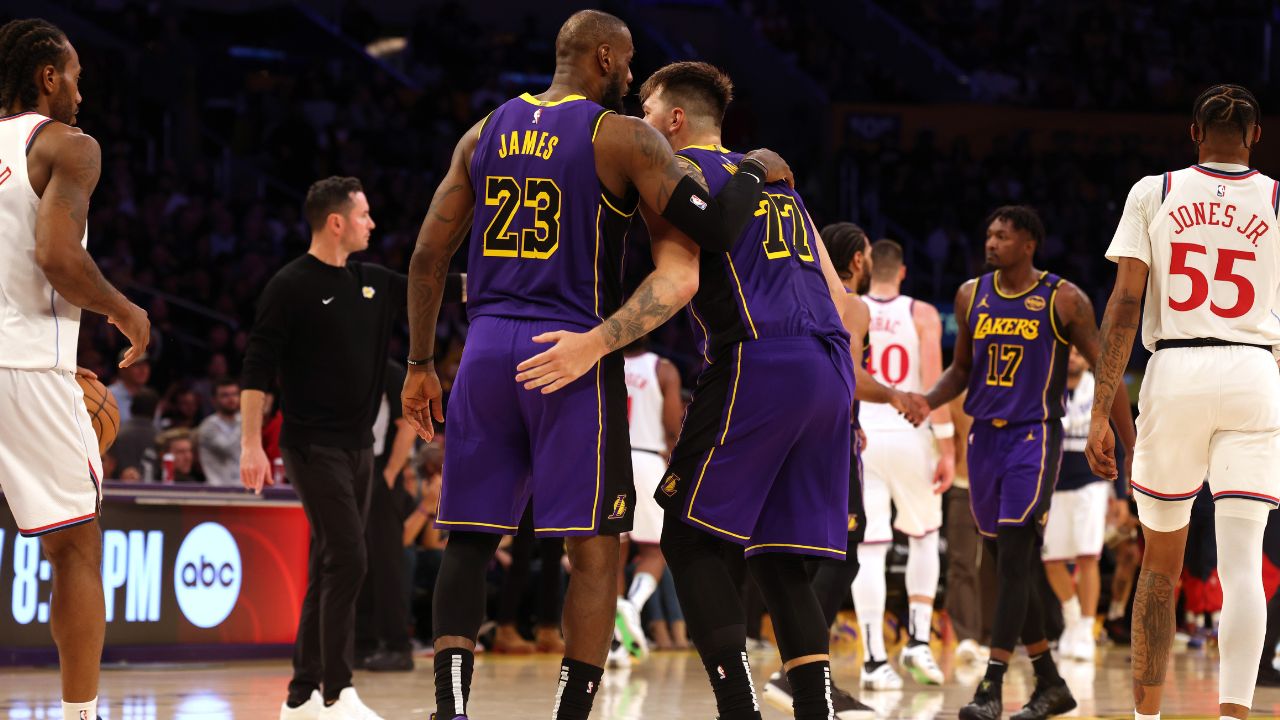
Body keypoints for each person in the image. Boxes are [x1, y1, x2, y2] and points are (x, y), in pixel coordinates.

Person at [401, 12, 791, 720]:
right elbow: (715, 224)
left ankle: (450, 709)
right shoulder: (621, 135)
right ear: (604, 56)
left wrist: (421, 362)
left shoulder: (481, 132)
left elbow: (428, 258)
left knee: (467, 539)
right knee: (597, 548)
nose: (634, 75)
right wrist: (757, 167)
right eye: (630, 60)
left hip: (485, 348)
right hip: (572, 351)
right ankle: (570, 715)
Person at [635, 62, 925, 720]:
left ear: (675, 120)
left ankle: (739, 709)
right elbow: (847, 308)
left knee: (685, 537)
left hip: (761, 359)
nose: (639, 122)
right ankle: (814, 711)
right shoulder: (782, 186)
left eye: (646, 109)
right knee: (778, 558)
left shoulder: (684, 175)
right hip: (828, 366)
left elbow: (678, 281)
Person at [1086, 83, 1280, 720]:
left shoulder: (1155, 191)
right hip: (1256, 372)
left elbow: (1122, 307)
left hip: (1178, 369)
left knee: (1161, 564)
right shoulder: (1279, 199)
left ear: (1193, 132)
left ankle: (1146, 715)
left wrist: (1098, 410)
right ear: (1255, 136)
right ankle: (1235, 714)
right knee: (1243, 565)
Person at [923, 205, 1136, 720]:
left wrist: (1131, 448)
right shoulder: (971, 294)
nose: (991, 242)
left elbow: (1108, 370)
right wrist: (923, 400)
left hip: (1033, 440)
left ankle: (991, 689)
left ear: (1028, 244)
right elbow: (960, 370)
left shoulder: (1064, 299)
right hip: (984, 446)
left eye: (1002, 236)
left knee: (1016, 556)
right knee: (1006, 562)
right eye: (989, 234)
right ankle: (1050, 682)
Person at [0, 18, 150, 720]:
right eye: (76, 75)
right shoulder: (68, 146)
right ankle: (80, 715)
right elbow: (57, 259)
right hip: (24, 371)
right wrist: (123, 310)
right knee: (75, 550)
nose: (82, 92)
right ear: (48, 76)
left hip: (33, 358)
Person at [241, 176, 400, 720]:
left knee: (330, 564)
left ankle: (302, 694)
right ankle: (338, 690)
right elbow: (256, 369)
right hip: (311, 447)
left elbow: (435, 285)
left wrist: (510, 277)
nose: (371, 224)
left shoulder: (373, 282)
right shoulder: (290, 285)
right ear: (336, 222)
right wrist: (250, 446)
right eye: (364, 215)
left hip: (360, 449)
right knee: (352, 559)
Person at [853, 238, 955, 689]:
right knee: (924, 539)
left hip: (865, 436)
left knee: (870, 549)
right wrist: (948, 445)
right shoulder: (922, 313)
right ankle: (917, 642)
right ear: (904, 273)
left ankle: (874, 660)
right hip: (912, 434)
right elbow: (933, 380)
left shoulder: (851, 307)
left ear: (868, 266)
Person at [1041, 346, 1121, 663]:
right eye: (1068, 351)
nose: (1073, 356)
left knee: (1088, 557)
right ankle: (1072, 618)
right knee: (1052, 559)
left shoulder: (1102, 389)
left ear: (1089, 357)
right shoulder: (1047, 386)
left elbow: (1117, 443)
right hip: (1052, 483)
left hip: (1092, 481)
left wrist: (1122, 496)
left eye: (1078, 352)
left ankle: (1086, 630)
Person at [612, 337, 685, 664]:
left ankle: (614, 644)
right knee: (656, 549)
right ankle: (634, 605)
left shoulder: (604, 362)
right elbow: (673, 428)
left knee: (613, 551)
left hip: (607, 462)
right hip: (646, 459)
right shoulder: (663, 369)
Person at [355, 360, 419, 672]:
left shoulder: (391, 372)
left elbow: (406, 423)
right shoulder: (354, 368)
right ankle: (363, 642)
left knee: (388, 563)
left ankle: (397, 645)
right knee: (360, 561)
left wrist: (391, 473)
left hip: (382, 474)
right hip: (358, 469)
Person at [197, 377, 242, 487]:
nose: (231, 399)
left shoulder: (241, 421)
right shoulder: (208, 425)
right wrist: (247, 422)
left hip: (241, 487)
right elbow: (228, 449)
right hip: (217, 488)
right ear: (214, 400)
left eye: (235, 394)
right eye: (225, 395)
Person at [108, 388, 160, 477]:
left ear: (131, 408)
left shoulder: (117, 434)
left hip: (118, 489)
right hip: (155, 489)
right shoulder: (160, 437)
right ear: (155, 411)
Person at [107, 349, 150, 424]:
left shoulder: (149, 396)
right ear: (123, 369)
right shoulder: (108, 396)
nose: (143, 369)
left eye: (145, 364)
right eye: (136, 365)